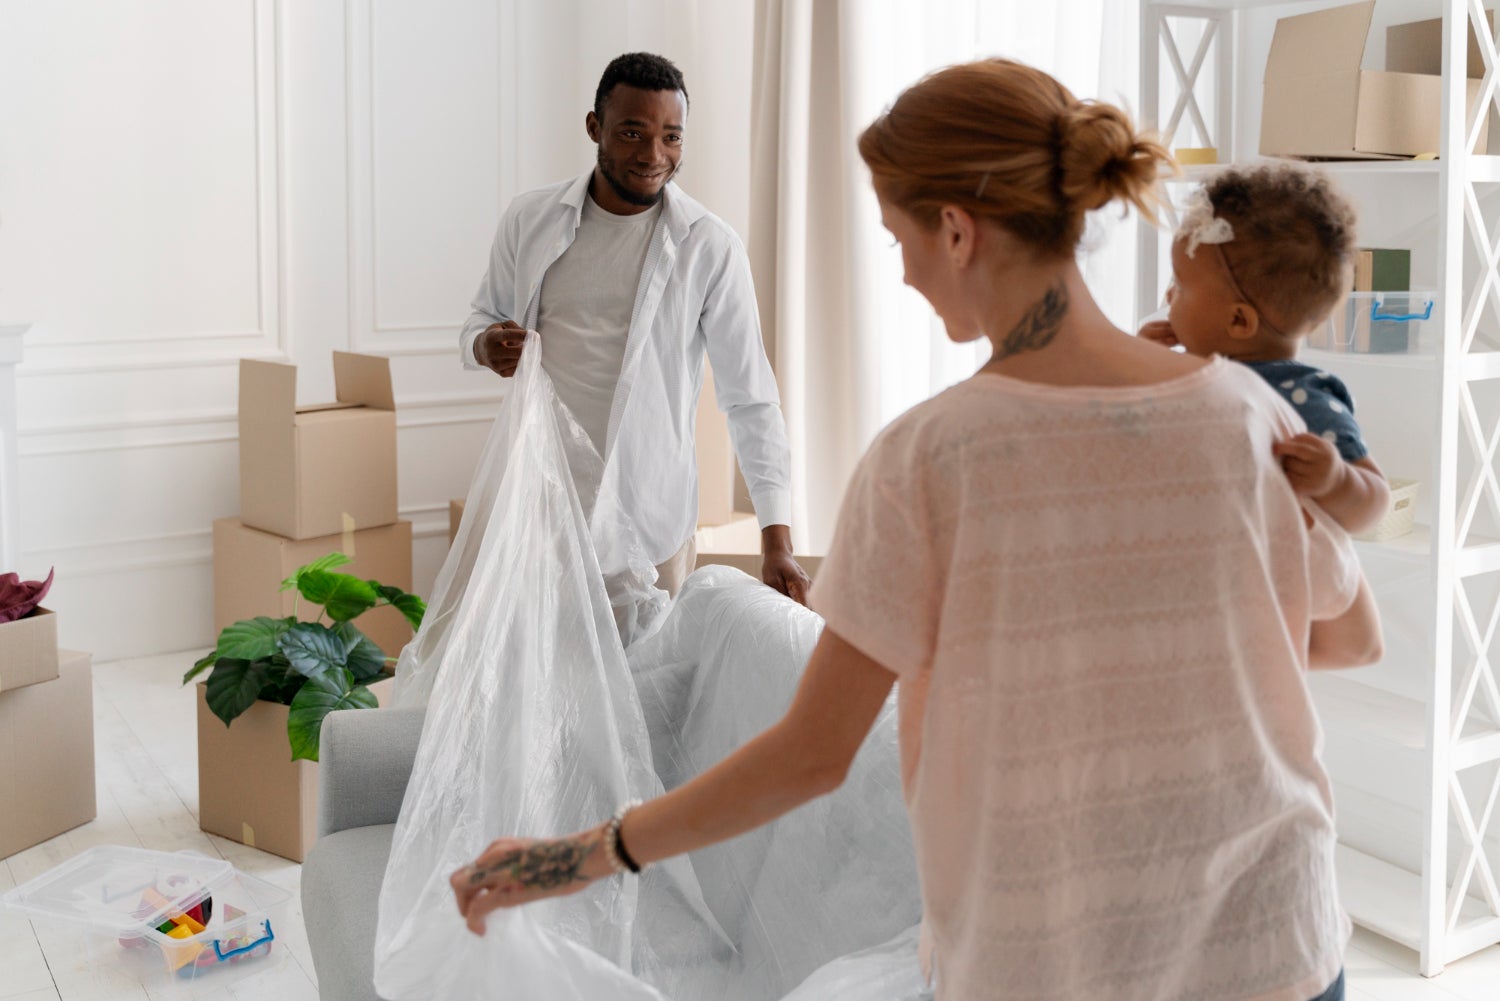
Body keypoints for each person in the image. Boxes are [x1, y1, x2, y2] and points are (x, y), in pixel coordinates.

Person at [451, 58, 1382, 1001]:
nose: (902, 271)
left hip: (1058, 959)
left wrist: (569, 857)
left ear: (957, 230)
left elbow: (810, 755)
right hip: (1279, 940)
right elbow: (1349, 637)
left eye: (901, 238)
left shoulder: (930, 459)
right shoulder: (1253, 413)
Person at [459, 52, 809, 601]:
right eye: (632, 133)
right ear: (594, 127)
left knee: (653, 662)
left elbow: (751, 399)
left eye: (672, 137)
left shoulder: (709, 246)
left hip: (651, 523)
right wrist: (485, 346)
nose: (653, 155)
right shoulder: (529, 220)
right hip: (541, 514)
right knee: (536, 661)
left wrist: (777, 541)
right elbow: (481, 320)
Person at [1139, 164, 1392, 533]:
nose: (1168, 295)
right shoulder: (1186, 372)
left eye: (1180, 284)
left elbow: (1375, 503)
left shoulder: (1301, 398)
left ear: (1239, 320)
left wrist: (1337, 480)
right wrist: (1143, 368)